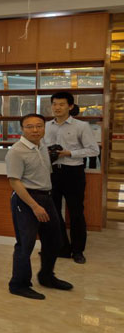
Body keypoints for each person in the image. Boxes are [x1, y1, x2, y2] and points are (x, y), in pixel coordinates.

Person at [6, 113, 73, 299]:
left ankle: (46, 276)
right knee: (25, 244)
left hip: (46, 198)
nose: (35, 130)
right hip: (26, 200)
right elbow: (14, 182)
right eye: (29, 127)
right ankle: (18, 284)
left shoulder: (42, 146)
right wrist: (35, 206)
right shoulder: (16, 151)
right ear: (22, 129)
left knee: (54, 240)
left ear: (44, 128)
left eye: (39, 126)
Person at [44, 92, 99, 264]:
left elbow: (93, 150)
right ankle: (62, 247)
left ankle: (77, 250)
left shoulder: (81, 126)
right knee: (53, 212)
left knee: (76, 213)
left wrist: (68, 153)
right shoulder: (46, 126)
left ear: (70, 106)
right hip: (52, 172)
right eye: (54, 104)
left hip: (73, 172)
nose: (57, 107)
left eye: (61, 104)